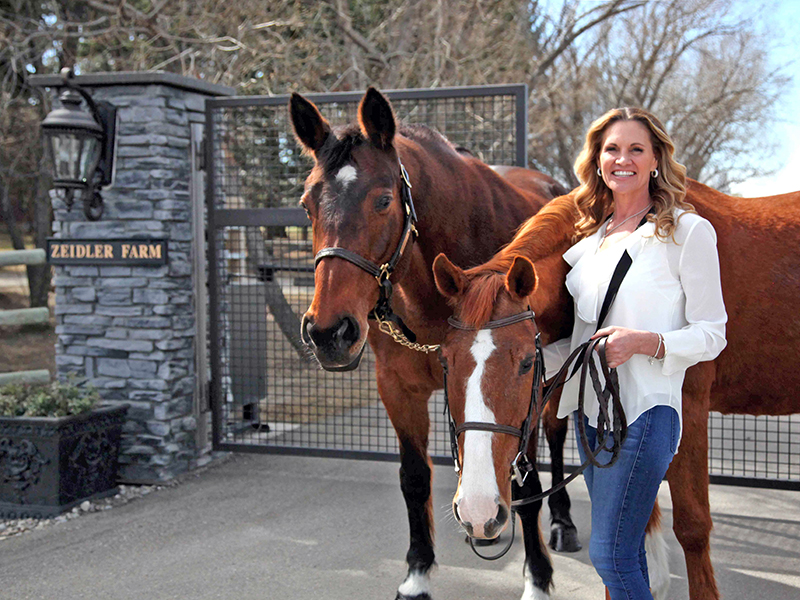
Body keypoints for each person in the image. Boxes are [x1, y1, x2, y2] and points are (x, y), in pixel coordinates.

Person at [546, 107, 728, 599]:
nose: (622, 159)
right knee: (625, 554)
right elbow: (584, 340)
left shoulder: (687, 232)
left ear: (655, 160)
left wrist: (646, 342)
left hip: (647, 413)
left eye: (635, 149)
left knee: (609, 553)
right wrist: (509, 360)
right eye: (611, 149)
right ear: (597, 160)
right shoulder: (591, 239)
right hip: (589, 415)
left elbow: (713, 333)